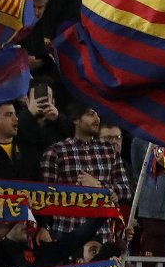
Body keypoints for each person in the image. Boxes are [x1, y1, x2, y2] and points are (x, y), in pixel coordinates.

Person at [40, 102, 132, 238]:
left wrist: (101, 187)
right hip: (66, 234)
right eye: (91, 114)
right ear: (76, 120)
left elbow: (126, 191)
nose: (97, 119)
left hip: (103, 235)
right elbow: (45, 197)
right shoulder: (56, 152)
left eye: (97, 114)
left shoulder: (109, 151)